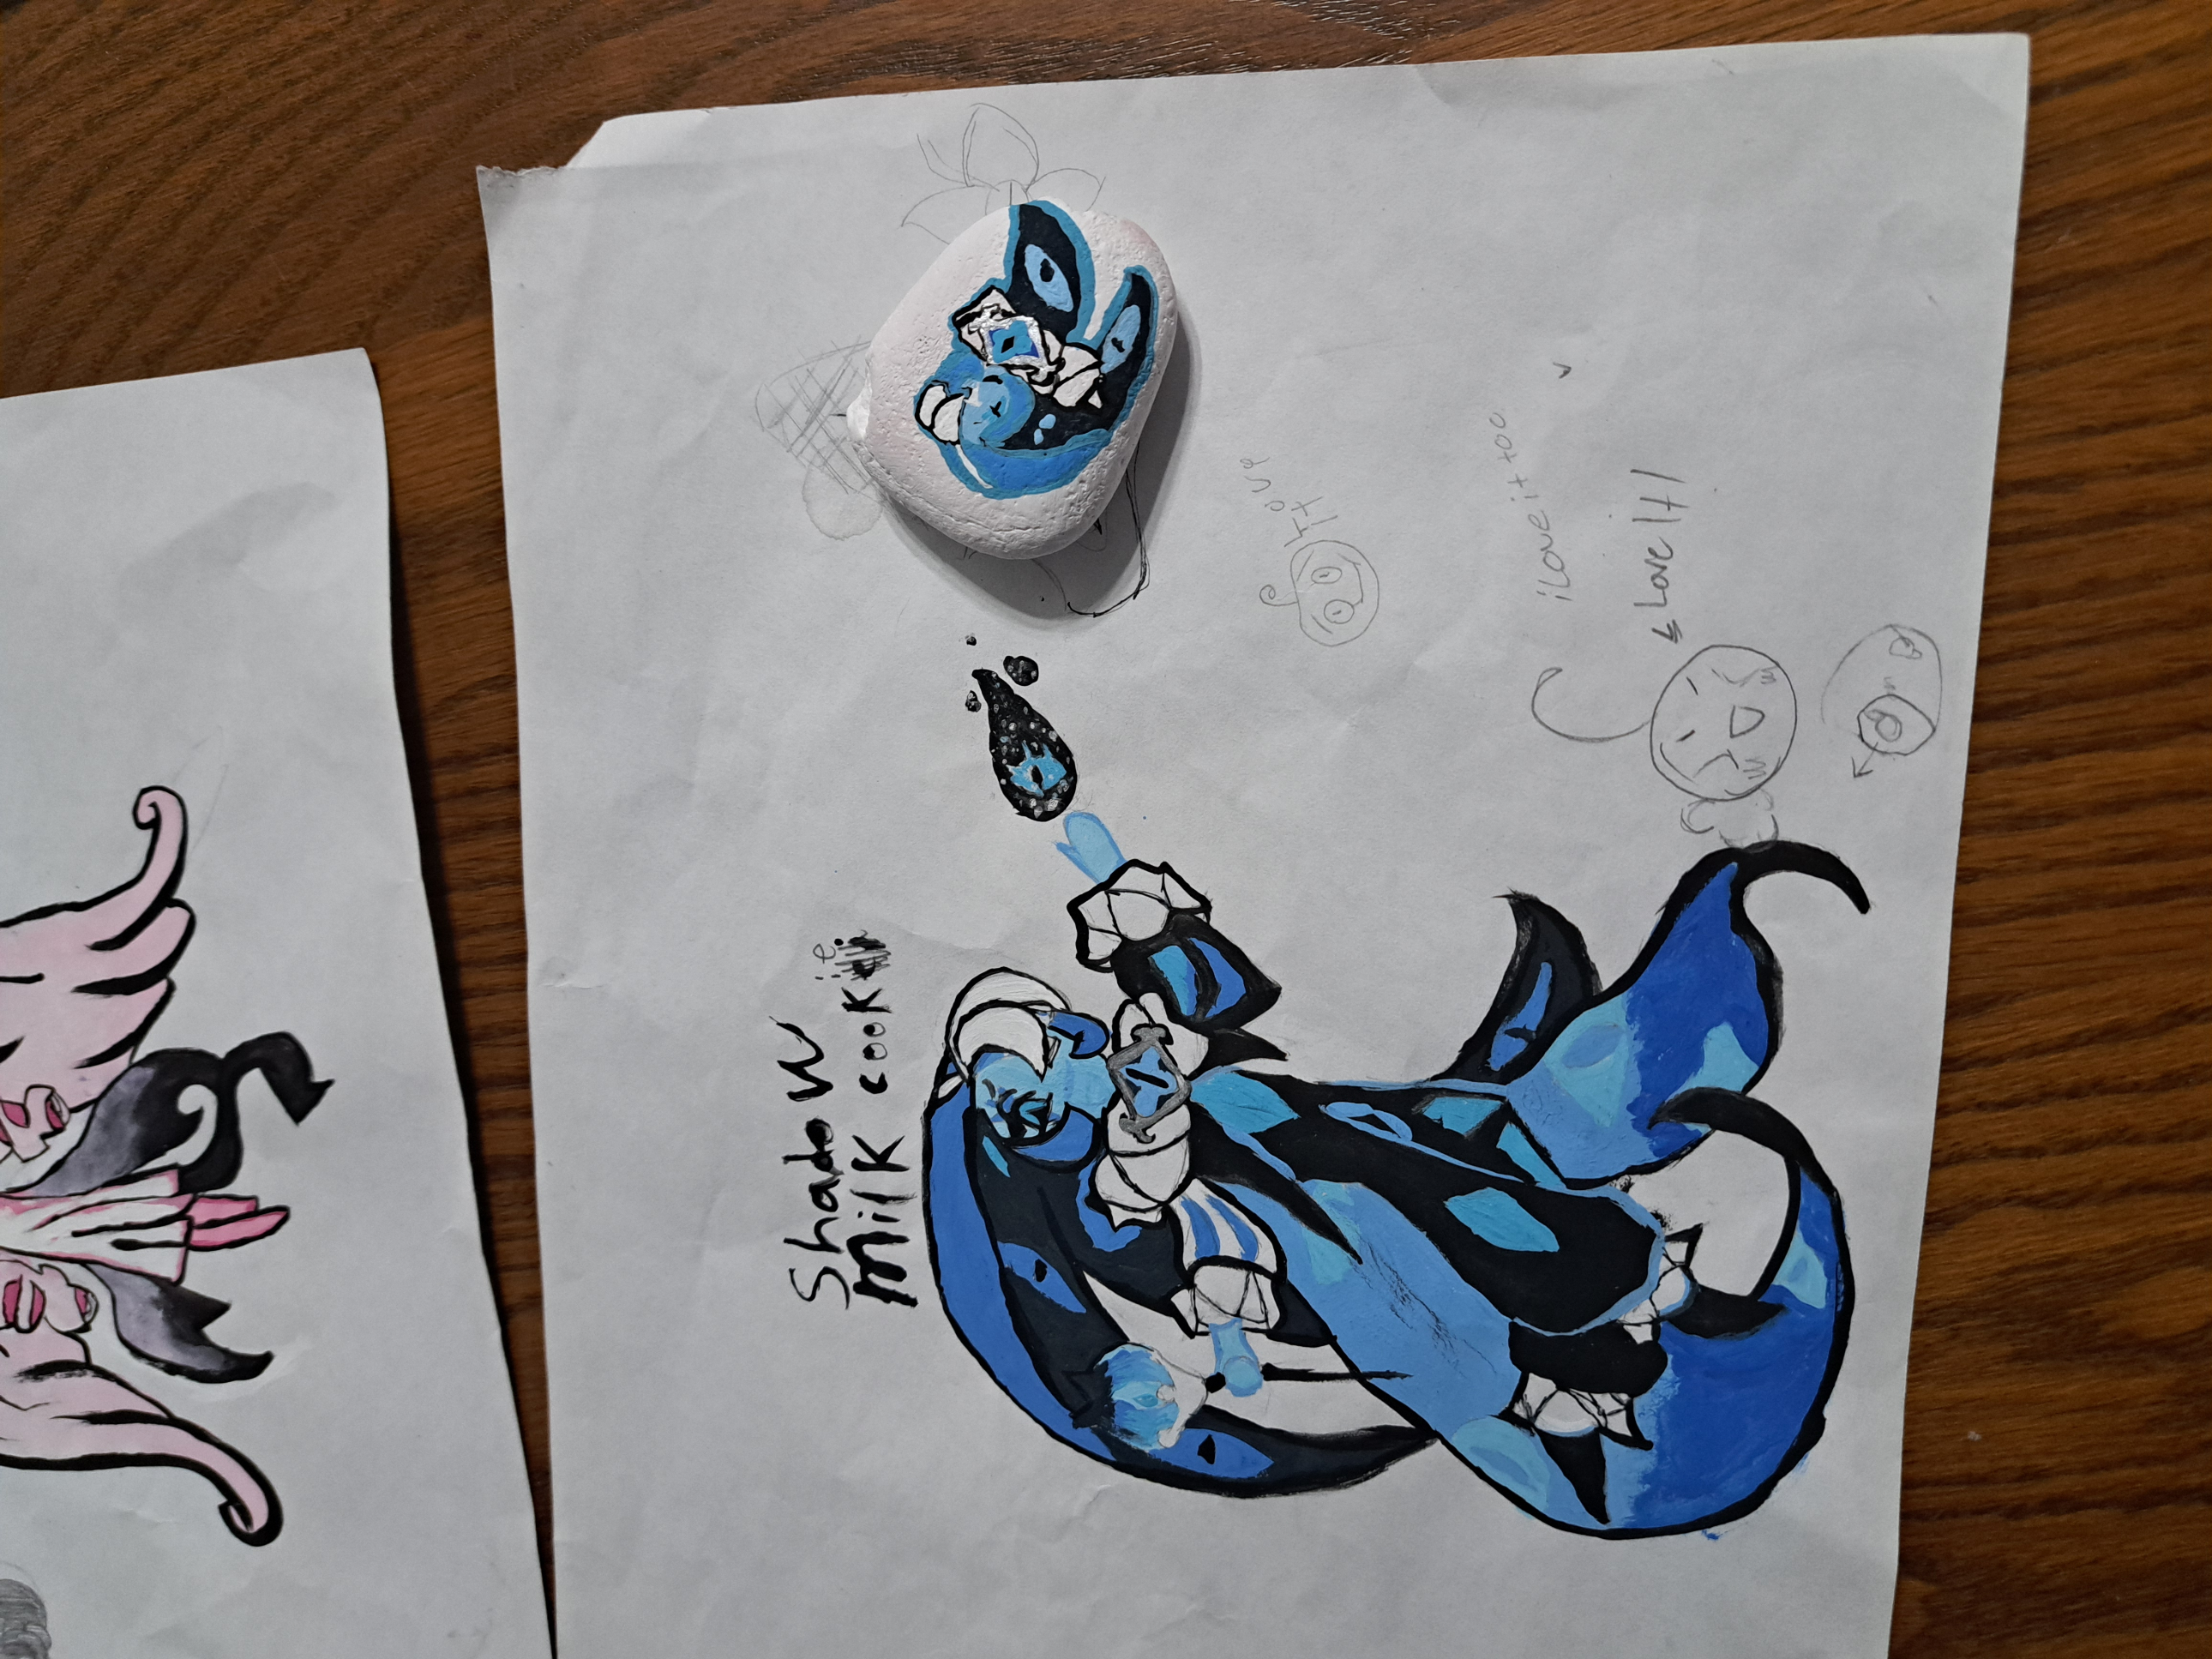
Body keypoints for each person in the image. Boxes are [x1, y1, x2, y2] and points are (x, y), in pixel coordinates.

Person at [925, 843, 1863, 1535]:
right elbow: (1093, 1241)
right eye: (1009, 1090)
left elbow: (1230, 1016)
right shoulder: (1038, 1172)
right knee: (1435, 1273)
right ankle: (1607, 1361)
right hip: (1297, 1247)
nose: (1032, 1099)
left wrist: (1162, 937)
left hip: (1333, 1150)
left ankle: (1643, 1304)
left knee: (1472, 1174)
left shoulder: (1136, 1060)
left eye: (1040, 1058)